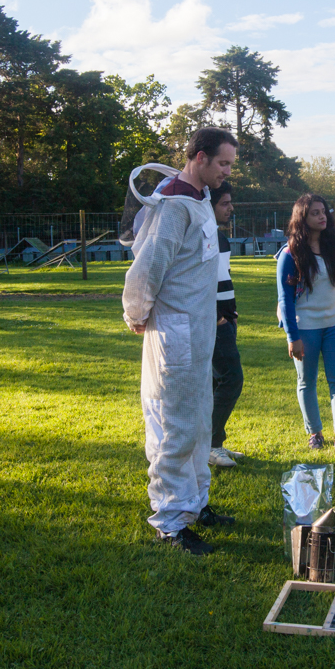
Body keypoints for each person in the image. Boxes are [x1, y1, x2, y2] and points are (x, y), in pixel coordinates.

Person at [121, 127, 238, 555]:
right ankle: (171, 521)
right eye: (223, 163)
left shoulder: (200, 200)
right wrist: (136, 310)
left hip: (199, 329)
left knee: (200, 420)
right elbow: (148, 265)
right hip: (175, 334)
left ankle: (194, 504)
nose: (227, 172)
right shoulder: (173, 206)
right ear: (200, 157)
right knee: (175, 424)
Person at [276, 194, 335, 457]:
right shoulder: (289, 255)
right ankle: (315, 433)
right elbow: (285, 300)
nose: (322, 216)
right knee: (307, 382)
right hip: (305, 329)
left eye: (324, 211)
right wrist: (293, 336)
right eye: (315, 213)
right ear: (303, 217)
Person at [208, 182, 246, 469]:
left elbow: (224, 278)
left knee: (215, 381)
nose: (230, 208)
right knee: (231, 378)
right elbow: (199, 281)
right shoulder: (203, 236)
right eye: (224, 203)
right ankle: (210, 445)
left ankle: (213, 443)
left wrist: (230, 312)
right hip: (212, 320)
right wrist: (216, 314)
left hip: (225, 318)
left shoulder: (221, 238)